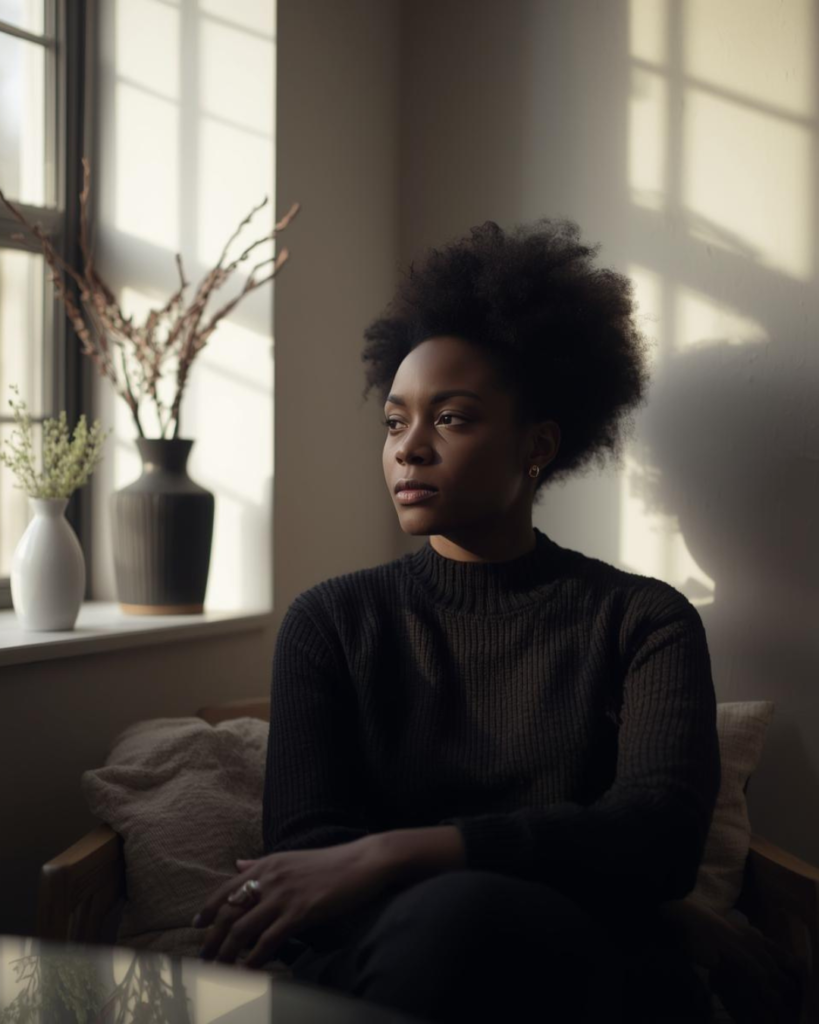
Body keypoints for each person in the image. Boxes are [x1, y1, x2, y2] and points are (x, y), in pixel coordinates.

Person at [192, 218, 723, 1022]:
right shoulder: (331, 621)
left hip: (582, 970)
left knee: (467, 919)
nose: (408, 448)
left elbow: (656, 842)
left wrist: (396, 850)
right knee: (449, 924)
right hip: (377, 958)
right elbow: (305, 856)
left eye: (451, 418)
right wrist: (470, 876)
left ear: (537, 445)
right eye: (393, 421)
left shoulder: (643, 621)